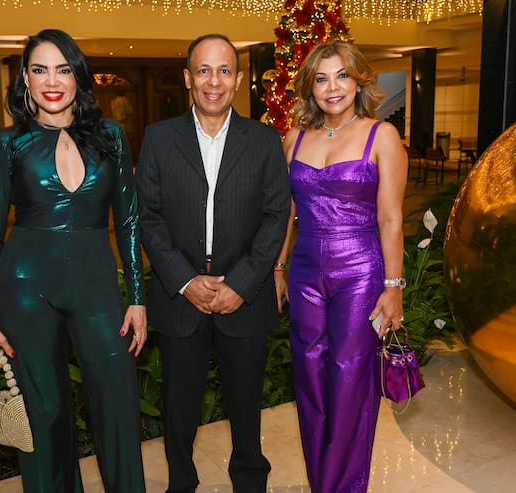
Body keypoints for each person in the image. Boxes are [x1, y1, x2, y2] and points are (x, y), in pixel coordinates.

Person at [0, 29, 147, 493]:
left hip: (97, 288)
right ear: (25, 79)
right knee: (44, 414)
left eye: (63, 69)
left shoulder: (111, 136)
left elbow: (129, 221)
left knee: (117, 404)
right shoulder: (8, 142)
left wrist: (137, 297)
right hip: (26, 289)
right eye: (40, 70)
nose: (52, 81)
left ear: (78, 77)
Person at [135, 33, 291, 493]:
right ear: (188, 78)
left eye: (224, 71)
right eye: (203, 70)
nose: (214, 81)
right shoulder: (159, 138)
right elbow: (147, 217)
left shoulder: (264, 140)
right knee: (179, 407)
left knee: (246, 406)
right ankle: (181, 484)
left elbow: (276, 215)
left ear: (238, 80)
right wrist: (186, 281)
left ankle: (250, 482)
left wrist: (241, 283)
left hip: (245, 297)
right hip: (180, 297)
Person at [273, 40, 408, 492]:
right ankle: (322, 482)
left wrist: (393, 286)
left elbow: (391, 218)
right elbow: (284, 213)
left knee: (350, 379)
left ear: (358, 81)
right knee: (309, 377)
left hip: (360, 271)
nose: (333, 88)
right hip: (305, 271)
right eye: (322, 79)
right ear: (310, 87)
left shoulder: (381, 135)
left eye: (342, 76)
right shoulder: (294, 138)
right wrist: (278, 268)